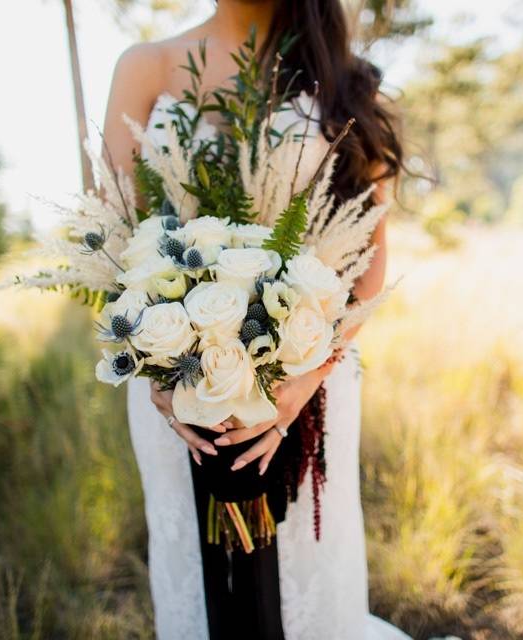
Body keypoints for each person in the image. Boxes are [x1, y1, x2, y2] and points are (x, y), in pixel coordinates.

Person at [102, 1, 406, 638]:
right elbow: (114, 240)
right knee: (196, 572)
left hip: (311, 376)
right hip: (175, 382)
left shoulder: (341, 78)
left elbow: (370, 264)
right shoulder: (145, 67)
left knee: (306, 575)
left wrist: (299, 384)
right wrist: (164, 372)